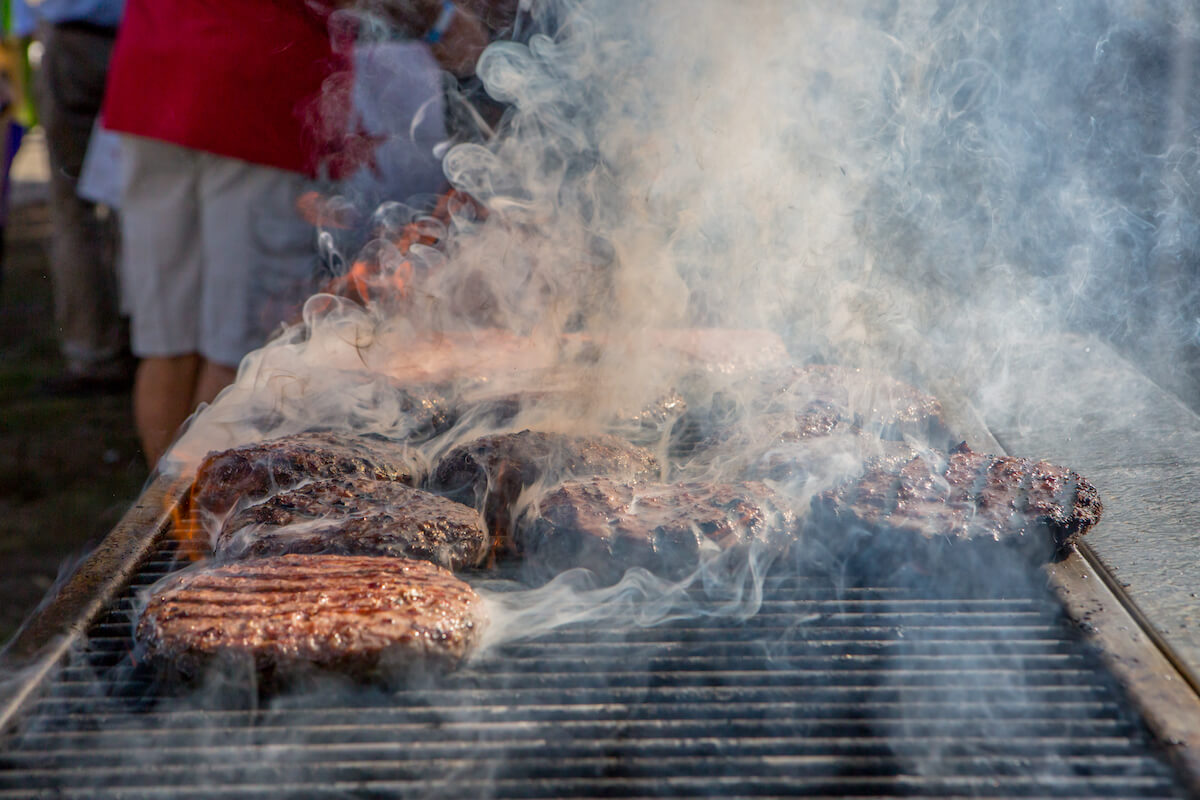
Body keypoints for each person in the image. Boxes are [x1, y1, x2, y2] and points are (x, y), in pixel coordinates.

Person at [101, 1, 488, 467]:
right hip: (250, 94)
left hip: (153, 76)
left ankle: (171, 502)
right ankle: (200, 507)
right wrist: (440, 20)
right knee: (238, 348)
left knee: (168, 342)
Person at [29, 0, 129, 395]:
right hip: (137, 39)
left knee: (74, 212)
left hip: (78, 43)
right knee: (134, 205)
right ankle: (148, 341)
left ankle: (94, 350)